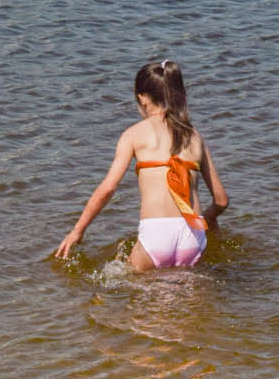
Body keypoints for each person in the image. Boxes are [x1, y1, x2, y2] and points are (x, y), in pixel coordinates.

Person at [54, 59, 229, 270]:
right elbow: (221, 200)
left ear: (143, 99)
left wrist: (78, 231)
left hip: (156, 235)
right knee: (185, 296)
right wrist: (207, 219)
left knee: (127, 288)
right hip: (192, 235)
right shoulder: (193, 136)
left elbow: (108, 188)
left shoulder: (134, 134)